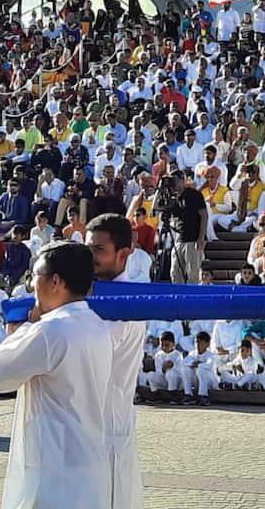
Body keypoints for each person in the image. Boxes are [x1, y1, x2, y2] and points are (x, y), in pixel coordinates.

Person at [0, 241, 113, 509]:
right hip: (90, 464)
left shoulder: (50, 331)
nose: (31, 287)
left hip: (53, 471)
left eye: (34, 277)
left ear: (55, 281)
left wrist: (20, 331)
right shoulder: (99, 326)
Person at [86, 213, 149, 508]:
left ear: (124, 254)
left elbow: (87, 354)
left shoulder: (127, 303)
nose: (90, 257)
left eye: (99, 250)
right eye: (88, 249)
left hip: (109, 424)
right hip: (87, 424)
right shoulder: (89, 294)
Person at [170, 177, 208, 283]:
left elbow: (204, 216)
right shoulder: (173, 197)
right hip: (178, 239)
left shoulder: (194, 195)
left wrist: (201, 238)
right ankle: (178, 297)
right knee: (175, 272)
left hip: (193, 239)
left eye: (175, 181)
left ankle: (192, 297)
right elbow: (156, 206)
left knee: (193, 274)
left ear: (182, 181)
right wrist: (160, 188)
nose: (173, 184)